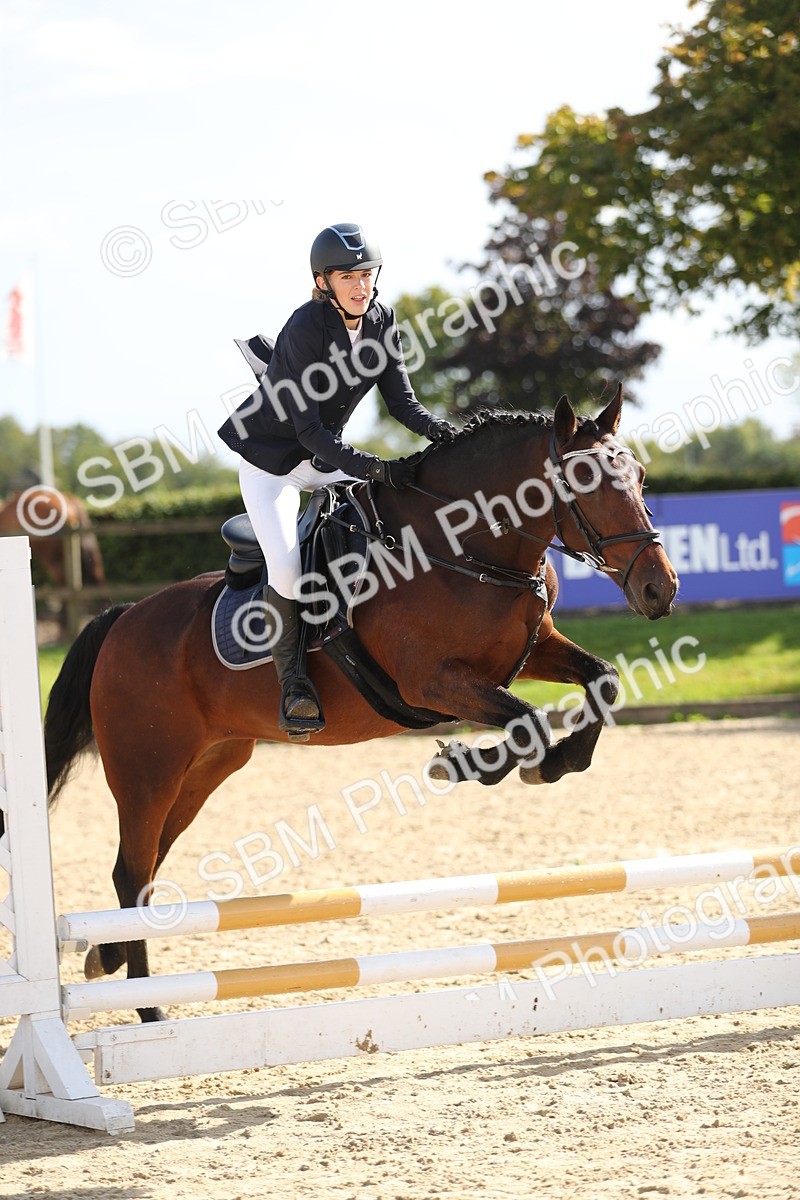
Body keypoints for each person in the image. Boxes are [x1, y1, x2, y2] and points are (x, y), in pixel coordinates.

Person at [218, 221, 457, 737]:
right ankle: (294, 685)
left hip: (327, 458)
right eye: (347, 275)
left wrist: (446, 434)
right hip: (274, 465)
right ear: (323, 282)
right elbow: (306, 433)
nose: (361, 285)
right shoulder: (305, 328)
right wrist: (372, 467)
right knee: (285, 571)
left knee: (382, 535)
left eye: (367, 274)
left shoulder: (382, 321)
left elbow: (402, 404)